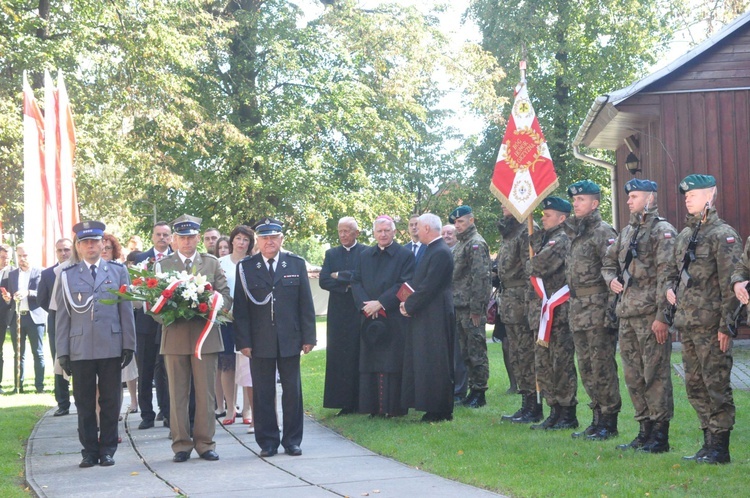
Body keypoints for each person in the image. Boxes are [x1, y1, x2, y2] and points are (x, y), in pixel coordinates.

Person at [667, 174, 740, 464]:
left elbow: (732, 285)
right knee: (695, 385)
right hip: (688, 324)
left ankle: (720, 448)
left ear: (711, 196)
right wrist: (669, 292)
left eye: (694, 194)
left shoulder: (724, 235)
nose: (688, 198)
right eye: (686, 195)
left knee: (716, 384)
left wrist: (727, 325)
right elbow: (674, 275)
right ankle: (707, 442)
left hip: (712, 326)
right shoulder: (686, 236)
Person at [602, 179, 676, 453]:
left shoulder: (663, 231)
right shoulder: (626, 232)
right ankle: (644, 430)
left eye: (634, 196)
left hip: (650, 317)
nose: (629, 201)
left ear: (650, 198)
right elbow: (608, 263)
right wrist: (611, 280)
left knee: (655, 375)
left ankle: (660, 435)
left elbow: (669, 277)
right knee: (633, 376)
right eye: (629, 196)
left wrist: (663, 316)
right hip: (627, 315)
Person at [55, 221, 136, 467]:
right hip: (80, 348)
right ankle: (89, 450)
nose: (90, 246)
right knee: (84, 402)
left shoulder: (118, 271)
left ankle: (108, 448)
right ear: (78, 247)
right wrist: (63, 352)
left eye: (95, 241)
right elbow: (62, 316)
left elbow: (126, 310)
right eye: (85, 242)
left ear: (103, 244)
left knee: (111, 401)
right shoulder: (67, 275)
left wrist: (129, 344)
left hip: (111, 344)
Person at [234, 218, 316, 457]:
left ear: (281, 239)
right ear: (257, 241)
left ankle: (292, 441)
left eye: (274, 237)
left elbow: (305, 304)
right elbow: (241, 309)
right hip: (259, 340)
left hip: (290, 338)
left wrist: (308, 336)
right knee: (262, 392)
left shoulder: (295, 264)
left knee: (292, 391)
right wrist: (244, 342)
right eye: (265, 238)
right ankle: (268, 441)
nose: (270, 242)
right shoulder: (247, 267)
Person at [157, 215, 231, 463]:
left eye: (191, 237)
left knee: (206, 393)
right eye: (182, 237)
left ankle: (205, 443)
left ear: (198, 238)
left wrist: (208, 307)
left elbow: (226, 297)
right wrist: (172, 315)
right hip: (175, 336)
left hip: (206, 337)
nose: (187, 242)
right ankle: (181, 444)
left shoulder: (211, 264)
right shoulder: (163, 266)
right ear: (175, 239)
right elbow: (153, 304)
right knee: (177, 393)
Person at [564, 180, 621, 440]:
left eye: (581, 200)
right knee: (586, 367)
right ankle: (596, 418)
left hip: (598, 311)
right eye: (574, 200)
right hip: (578, 311)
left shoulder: (602, 232)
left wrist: (611, 312)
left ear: (595, 203)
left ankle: (609, 421)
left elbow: (613, 273)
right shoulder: (576, 234)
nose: (576, 203)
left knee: (602, 367)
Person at [351, 215, 414, 418]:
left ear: (394, 232)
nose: (383, 234)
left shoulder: (405, 255)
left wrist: (382, 303)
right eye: (379, 231)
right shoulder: (363, 255)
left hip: (394, 317)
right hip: (368, 316)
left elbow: (405, 285)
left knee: (392, 362)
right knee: (370, 360)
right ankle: (372, 408)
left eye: (387, 230)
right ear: (374, 233)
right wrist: (367, 306)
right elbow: (356, 282)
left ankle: (393, 408)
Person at [526, 197, 578, 430]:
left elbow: (537, 265)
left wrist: (530, 260)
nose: (542, 218)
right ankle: (554, 410)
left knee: (561, 363)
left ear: (562, 218)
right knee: (545, 363)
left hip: (559, 311)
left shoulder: (562, 239)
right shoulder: (548, 238)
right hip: (546, 311)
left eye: (547, 215)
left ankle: (567, 413)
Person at [400, 213, 455, 422]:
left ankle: (440, 408)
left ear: (426, 229)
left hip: (436, 313)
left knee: (436, 360)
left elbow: (429, 286)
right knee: (426, 359)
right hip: (427, 312)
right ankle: (430, 405)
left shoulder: (440, 251)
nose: (415, 230)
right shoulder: (431, 249)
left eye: (419, 227)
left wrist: (409, 305)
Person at [320, 217, 366, 416]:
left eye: (347, 231)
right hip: (338, 310)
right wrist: (347, 285)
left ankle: (361, 400)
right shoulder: (331, 254)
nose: (343, 235)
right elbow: (323, 280)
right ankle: (343, 402)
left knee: (359, 352)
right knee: (339, 354)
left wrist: (340, 276)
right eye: (340, 231)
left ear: (356, 233)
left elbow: (363, 276)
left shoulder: (366, 252)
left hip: (359, 309)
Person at [496, 206, 539, 422]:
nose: (503, 204)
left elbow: (531, 270)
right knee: (516, 354)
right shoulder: (510, 232)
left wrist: (531, 304)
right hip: (510, 301)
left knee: (526, 354)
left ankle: (534, 405)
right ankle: (526, 403)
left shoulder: (526, 230)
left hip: (522, 300)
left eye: (507, 200)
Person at [449, 206, 491, 408]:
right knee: (465, 351)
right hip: (459, 305)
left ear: (471, 221)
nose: (457, 225)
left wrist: (476, 308)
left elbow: (480, 278)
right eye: (455, 222)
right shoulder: (460, 244)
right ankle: (471, 390)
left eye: (461, 222)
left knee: (476, 351)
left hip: (470, 308)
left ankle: (479, 392)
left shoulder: (475, 244)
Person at [134, 222, 173, 429]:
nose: (162, 238)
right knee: (146, 369)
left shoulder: (176, 258)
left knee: (167, 369)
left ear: (171, 237)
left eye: (166, 235)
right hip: (146, 322)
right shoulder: (141, 259)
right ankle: (146, 414)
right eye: (158, 234)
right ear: (152, 237)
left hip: (168, 321)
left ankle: (167, 412)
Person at [216, 226, 254, 427]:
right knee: (227, 364)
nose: (241, 242)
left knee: (247, 365)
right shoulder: (220, 263)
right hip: (226, 320)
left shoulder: (253, 263)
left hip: (248, 322)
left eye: (246, 239)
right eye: (238, 238)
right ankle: (230, 408)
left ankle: (247, 409)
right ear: (232, 241)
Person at [2, 243, 47, 393]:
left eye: (25, 255)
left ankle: (39, 387)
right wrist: (8, 298)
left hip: (35, 317)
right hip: (17, 318)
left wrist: (28, 292)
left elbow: (42, 294)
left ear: (31, 255)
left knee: (38, 353)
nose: (22, 259)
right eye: (20, 256)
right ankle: (17, 386)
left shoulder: (40, 272)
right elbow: (11, 297)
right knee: (18, 354)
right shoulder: (13, 274)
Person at [102, 233, 138, 414]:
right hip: (95, 336)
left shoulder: (119, 270)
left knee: (116, 380)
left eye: (107, 248)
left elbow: (126, 306)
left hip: (116, 333)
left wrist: (128, 340)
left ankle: (114, 414)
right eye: (101, 247)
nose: (103, 251)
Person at [37, 238, 74, 415]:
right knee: (59, 362)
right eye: (59, 250)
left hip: (79, 322)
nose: (63, 253)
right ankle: (62, 403)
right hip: (57, 324)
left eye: (66, 249)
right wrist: (58, 312)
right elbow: (41, 299)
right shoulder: (47, 274)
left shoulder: (78, 269)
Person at [0, 244, 15, 393]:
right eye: (3, 257)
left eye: (8, 258)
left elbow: (14, 298)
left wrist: (8, 300)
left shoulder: (12, 273)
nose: (5, 261)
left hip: (2, 317)